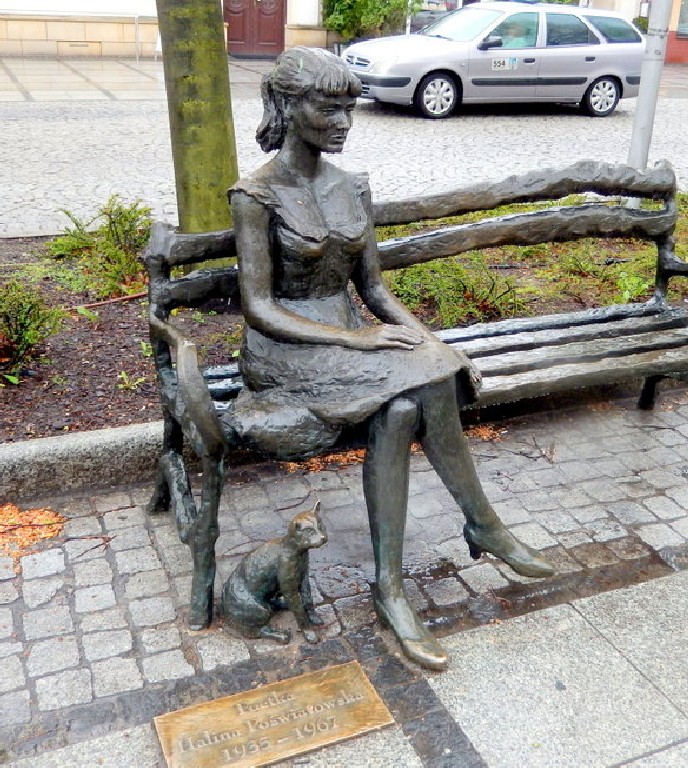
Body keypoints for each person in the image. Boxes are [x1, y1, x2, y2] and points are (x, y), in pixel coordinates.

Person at [225, 47, 554, 671]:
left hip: (351, 344)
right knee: (426, 383)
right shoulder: (256, 194)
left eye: (350, 108)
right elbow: (259, 308)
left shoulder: (351, 187)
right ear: (290, 107)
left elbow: (374, 291)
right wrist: (356, 341)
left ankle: (392, 588)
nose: (344, 122)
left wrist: (429, 343)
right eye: (329, 109)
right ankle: (483, 527)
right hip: (285, 353)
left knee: (405, 408)